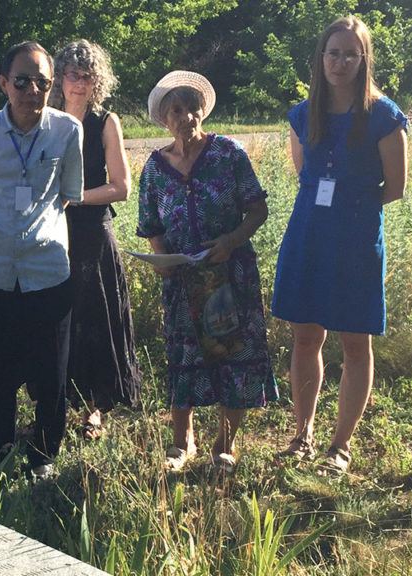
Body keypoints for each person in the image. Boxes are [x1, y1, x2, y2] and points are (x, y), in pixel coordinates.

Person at [271, 16, 408, 476]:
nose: (340, 61)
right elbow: (303, 175)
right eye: (333, 52)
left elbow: (396, 187)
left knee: (354, 341)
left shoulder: (384, 115)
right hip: (308, 233)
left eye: (351, 54)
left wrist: (352, 206)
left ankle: (340, 445)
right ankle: (302, 434)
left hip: (355, 238)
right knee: (306, 336)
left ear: (363, 59)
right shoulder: (301, 113)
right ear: (320, 57)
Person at [137, 71, 277, 473]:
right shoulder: (155, 167)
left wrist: (230, 243)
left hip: (229, 275)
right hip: (182, 282)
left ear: (203, 111)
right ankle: (182, 444)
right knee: (184, 357)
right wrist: (163, 261)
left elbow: (257, 208)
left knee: (231, 355)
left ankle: (224, 445)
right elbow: (151, 226)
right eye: (176, 110)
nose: (185, 117)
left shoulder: (228, 153)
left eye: (192, 108)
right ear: (164, 118)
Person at [0, 41, 83, 481]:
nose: (33, 89)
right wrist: (5, 234)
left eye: (43, 82)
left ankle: (45, 453)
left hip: (47, 269)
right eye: (22, 80)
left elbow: (68, 196)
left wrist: (34, 233)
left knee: (51, 373)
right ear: (3, 83)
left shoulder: (67, 131)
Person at [49, 40, 141, 440]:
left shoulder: (105, 121)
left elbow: (122, 187)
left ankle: (94, 409)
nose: (79, 84)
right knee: (55, 320)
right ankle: (53, 400)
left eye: (87, 77)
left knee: (95, 321)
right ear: (59, 77)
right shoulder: (45, 118)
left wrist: (75, 198)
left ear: (96, 81)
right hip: (51, 232)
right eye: (73, 75)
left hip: (92, 233)